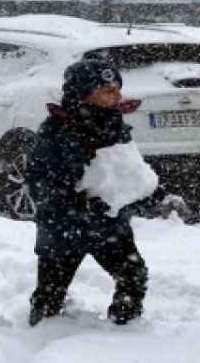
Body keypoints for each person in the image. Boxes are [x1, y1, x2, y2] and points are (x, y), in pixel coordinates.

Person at [24, 59, 149, 326]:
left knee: (133, 274)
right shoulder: (56, 131)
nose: (117, 96)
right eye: (108, 91)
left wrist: (142, 190)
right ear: (83, 94)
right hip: (64, 228)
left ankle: (124, 328)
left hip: (109, 225)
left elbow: (126, 169)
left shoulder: (117, 127)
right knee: (51, 291)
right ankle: (43, 330)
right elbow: (38, 180)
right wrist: (72, 202)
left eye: (118, 89)